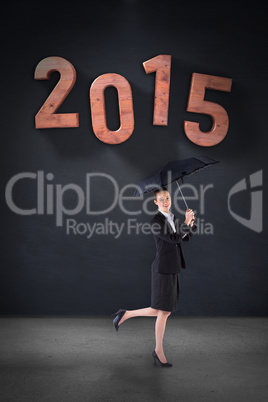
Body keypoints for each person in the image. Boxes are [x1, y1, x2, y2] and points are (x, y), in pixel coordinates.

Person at [111, 187, 197, 367]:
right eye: (161, 199)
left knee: (162, 309)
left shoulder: (172, 217)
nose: (166, 201)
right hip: (162, 269)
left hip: (173, 267)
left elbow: (184, 239)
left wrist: (190, 224)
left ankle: (125, 314)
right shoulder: (156, 221)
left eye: (167, 197)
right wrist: (185, 224)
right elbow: (173, 238)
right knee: (164, 311)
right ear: (155, 202)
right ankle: (158, 351)